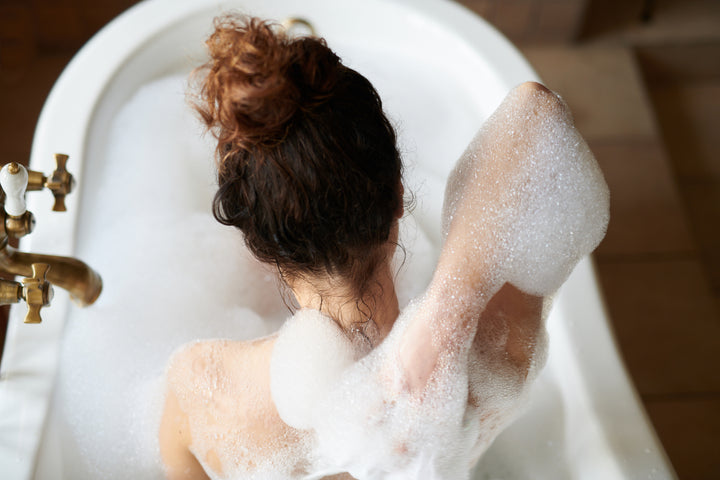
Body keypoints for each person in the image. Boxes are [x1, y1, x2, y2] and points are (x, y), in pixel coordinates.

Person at [159, 14, 608, 480]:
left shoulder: (203, 389)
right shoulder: (491, 349)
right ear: (397, 194)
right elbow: (536, 110)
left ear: (260, 248)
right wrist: (443, 323)